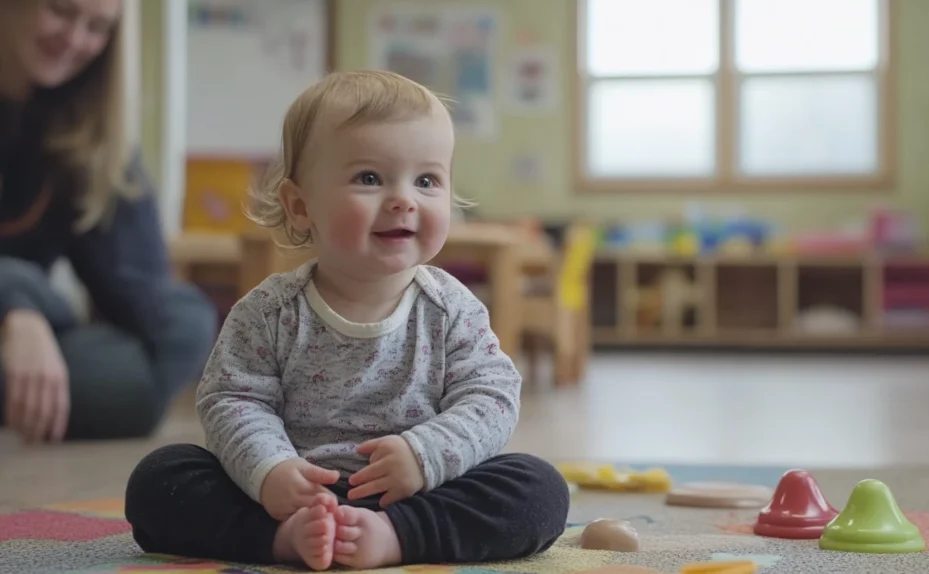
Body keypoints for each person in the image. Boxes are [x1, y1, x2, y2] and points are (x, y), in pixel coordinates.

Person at [124, 70, 569, 571]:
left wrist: (424, 454)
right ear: (300, 206)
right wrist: (270, 470)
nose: (404, 199)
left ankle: (396, 537)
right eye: (369, 178)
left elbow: (491, 396)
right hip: (292, 495)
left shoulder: (452, 309)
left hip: (418, 492)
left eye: (426, 181)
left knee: (539, 489)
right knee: (161, 478)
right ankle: (283, 540)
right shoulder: (268, 311)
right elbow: (232, 399)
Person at [0, 0, 218, 443]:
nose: (75, 39)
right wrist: (18, 307)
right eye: (60, 11)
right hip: (22, 328)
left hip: (36, 341)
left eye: (98, 27)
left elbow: (145, 294)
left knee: (185, 319)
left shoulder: (90, 136)